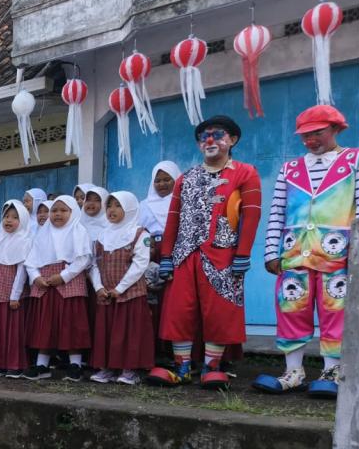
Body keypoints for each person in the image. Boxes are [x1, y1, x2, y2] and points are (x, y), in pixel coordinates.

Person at [147, 115, 262, 390]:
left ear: (232, 140)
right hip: (185, 254)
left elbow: (251, 215)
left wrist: (243, 253)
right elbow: (173, 218)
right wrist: (166, 257)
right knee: (178, 310)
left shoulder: (245, 173)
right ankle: (182, 367)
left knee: (220, 310)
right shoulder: (185, 178)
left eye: (217, 134)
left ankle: (212, 366)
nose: (209, 140)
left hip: (223, 253)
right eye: (204, 136)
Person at [253, 105, 358, 398]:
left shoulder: (354, 161)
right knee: (291, 309)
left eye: (317, 133)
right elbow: (276, 213)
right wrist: (271, 251)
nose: (310, 140)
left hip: (338, 255)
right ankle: (293, 371)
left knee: (334, 310)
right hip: (294, 253)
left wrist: (357, 254)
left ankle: (331, 371)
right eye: (305, 135)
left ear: (336, 129)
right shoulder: (291, 168)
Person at [21, 196, 92, 382]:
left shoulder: (78, 231)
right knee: (44, 325)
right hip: (45, 284)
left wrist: (63, 276)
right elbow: (30, 260)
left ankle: (75, 364)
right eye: (54, 210)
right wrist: (36, 277)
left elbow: (84, 259)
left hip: (69, 282)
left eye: (63, 210)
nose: (57, 214)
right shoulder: (43, 233)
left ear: (73, 212)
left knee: (71, 324)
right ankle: (42, 365)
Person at [89, 192, 154, 384]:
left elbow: (140, 264)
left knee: (130, 332)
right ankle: (107, 368)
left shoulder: (140, 234)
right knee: (107, 332)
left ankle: (129, 370)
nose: (112, 210)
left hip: (130, 294)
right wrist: (98, 286)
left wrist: (121, 287)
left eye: (118, 205)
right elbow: (94, 264)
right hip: (106, 294)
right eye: (109, 206)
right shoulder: (102, 235)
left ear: (129, 208)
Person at [0, 201, 33, 378]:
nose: (9, 220)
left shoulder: (24, 241)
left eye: (15, 217)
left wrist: (15, 295)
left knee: (13, 331)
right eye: (6, 216)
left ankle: (14, 364)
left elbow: (21, 271)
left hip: (12, 296)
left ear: (24, 220)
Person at [139, 161, 183, 364]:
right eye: (158, 180)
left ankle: (178, 352)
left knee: (175, 302)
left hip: (178, 254)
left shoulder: (184, 202)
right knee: (153, 302)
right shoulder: (143, 205)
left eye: (167, 179)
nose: (162, 184)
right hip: (151, 255)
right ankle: (156, 351)